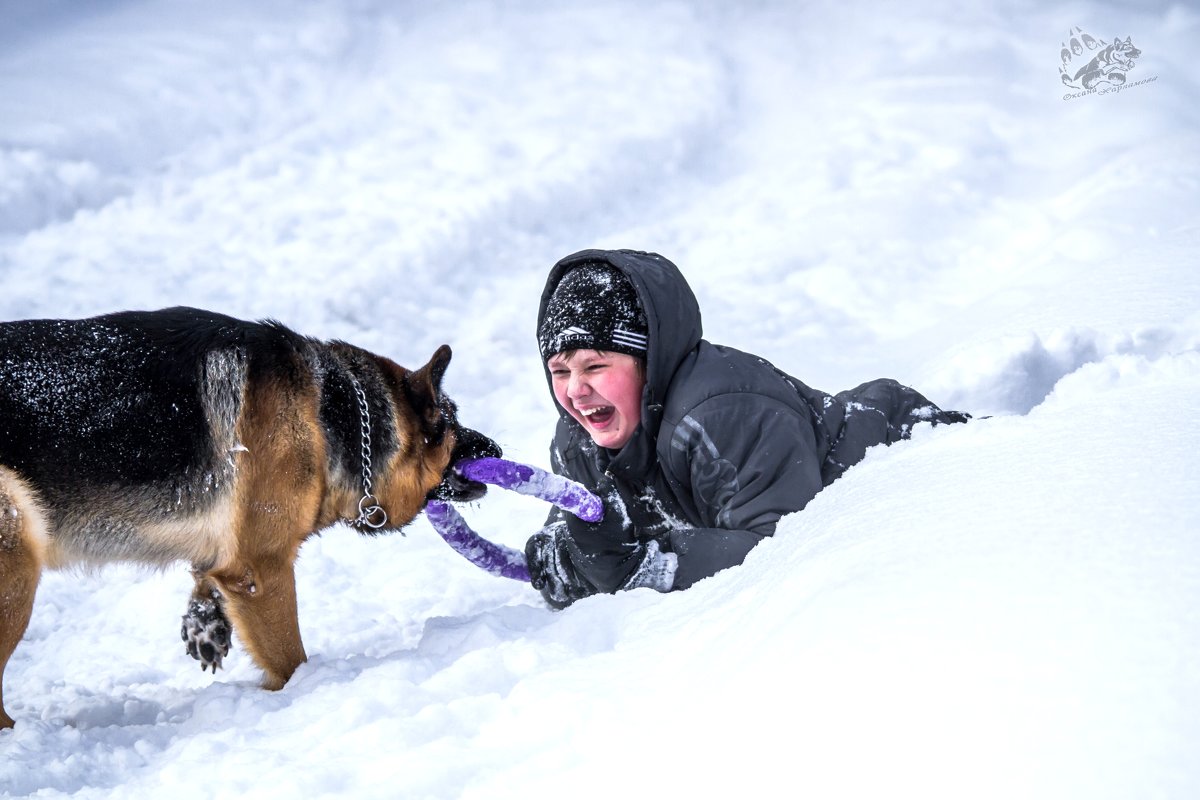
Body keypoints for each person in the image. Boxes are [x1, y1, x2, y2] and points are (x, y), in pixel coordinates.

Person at [524, 249, 968, 608]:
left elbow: (783, 552)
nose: (576, 391)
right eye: (560, 371)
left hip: (920, 463)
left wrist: (646, 565)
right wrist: (565, 559)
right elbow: (580, 539)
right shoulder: (580, 442)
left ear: (650, 361)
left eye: (596, 366)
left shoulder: (719, 417)